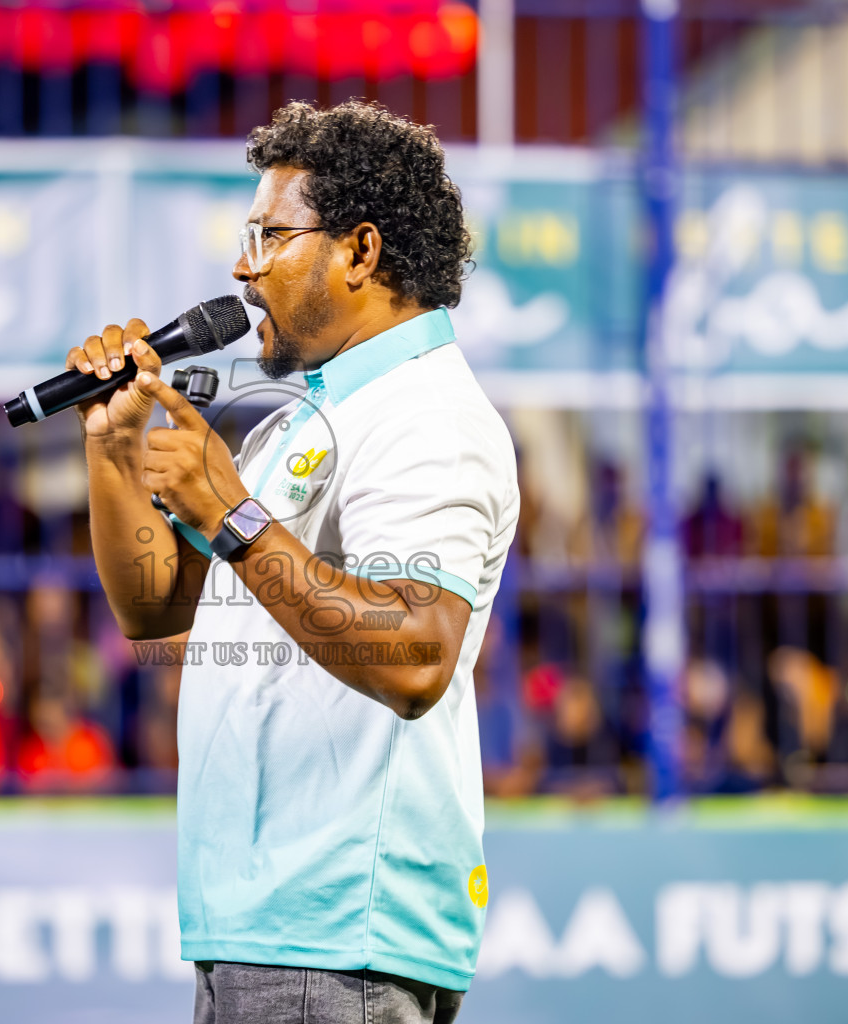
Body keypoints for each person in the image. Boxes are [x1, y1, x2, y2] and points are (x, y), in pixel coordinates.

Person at [69, 101, 518, 1023]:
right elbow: (156, 609)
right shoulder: (306, 418)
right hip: (265, 928)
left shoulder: (427, 415)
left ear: (359, 252)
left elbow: (418, 657)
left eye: (269, 235)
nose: (242, 265)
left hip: (337, 942)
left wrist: (229, 511)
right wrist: (116, 452)